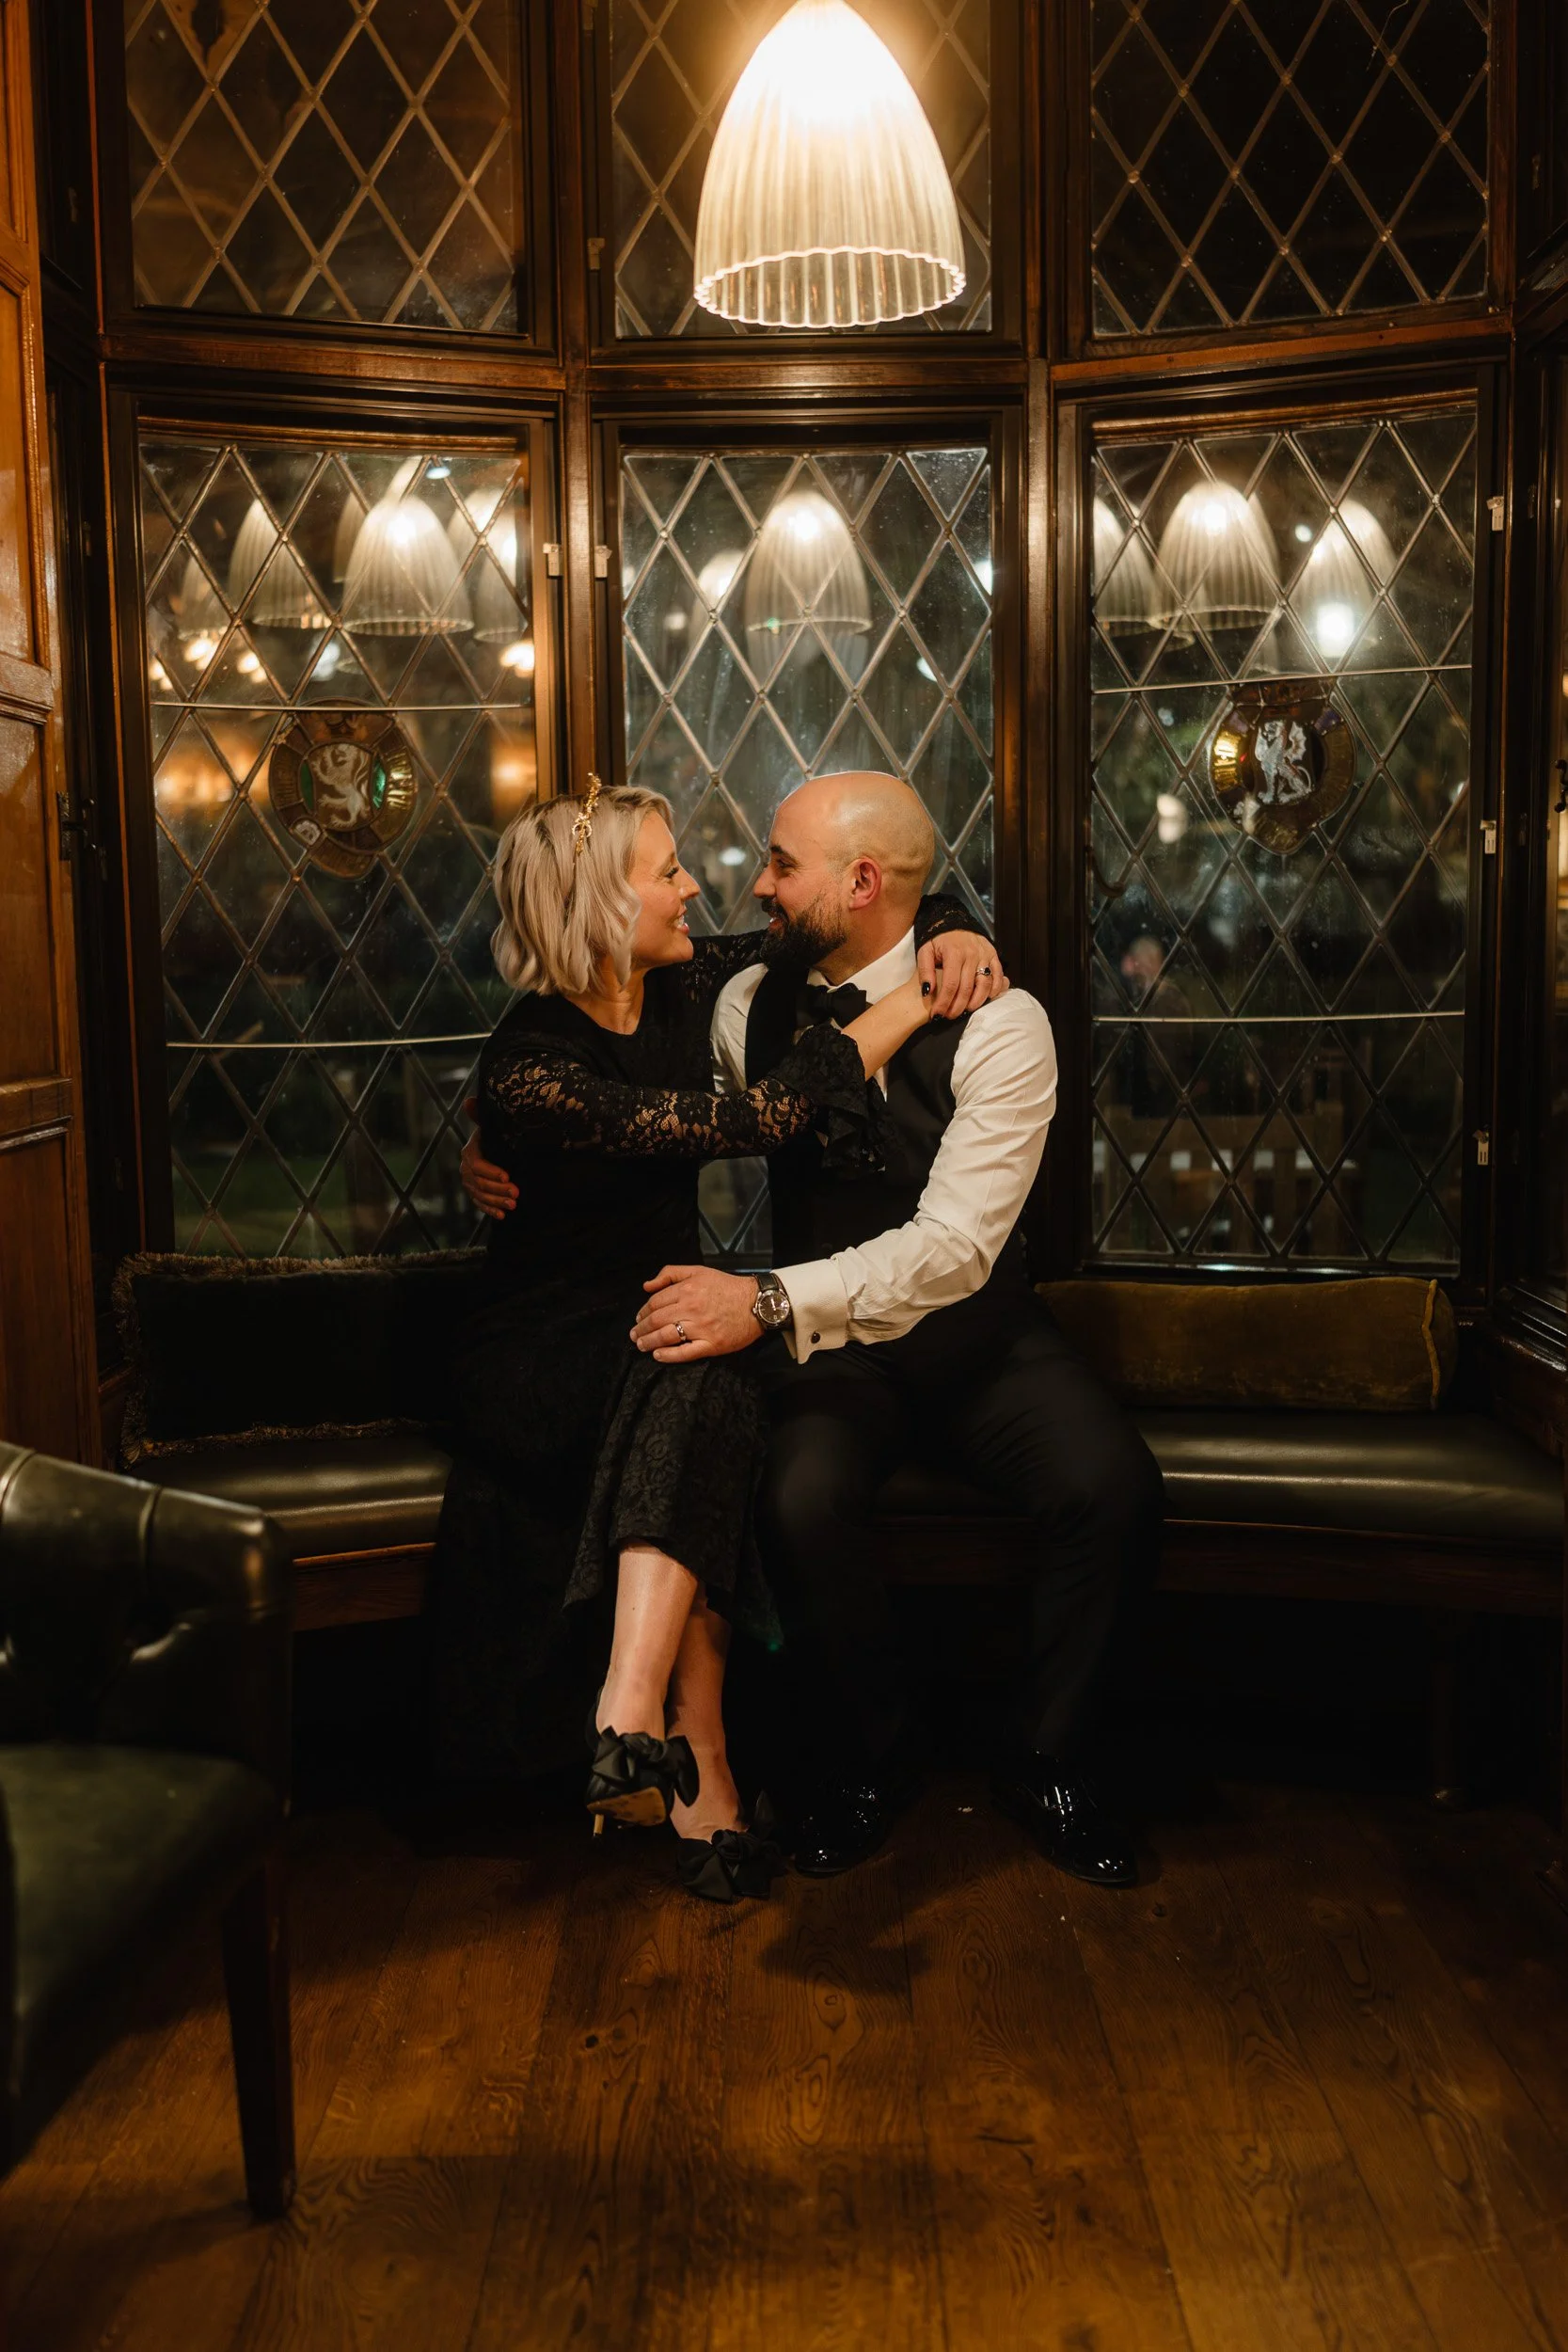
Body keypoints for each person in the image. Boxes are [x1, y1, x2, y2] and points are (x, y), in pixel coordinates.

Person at [464, 771, 1164, 1888]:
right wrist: (494, 1137)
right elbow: (625, 1077)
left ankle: (1050, 1760)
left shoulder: (1002, 1021)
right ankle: (870, 1760)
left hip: (977, 1335)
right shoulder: (741, 1004)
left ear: (862, 882)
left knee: (1113, 1485)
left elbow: (954, 1249)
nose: (750, 884)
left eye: (779, 864)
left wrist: (952, 926)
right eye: (733, 865)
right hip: (827, 1352)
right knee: (794, 1498)